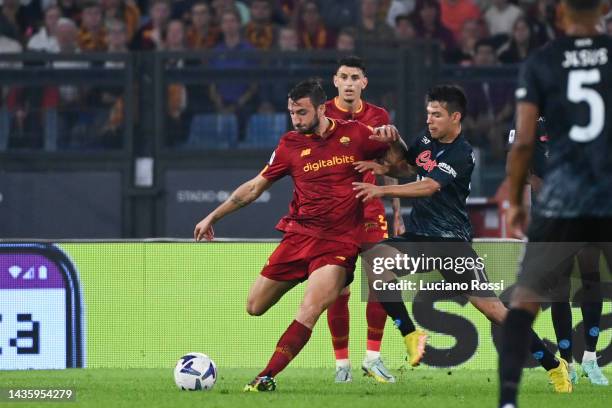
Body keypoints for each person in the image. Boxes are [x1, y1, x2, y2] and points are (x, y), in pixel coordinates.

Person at [351, 84, 571, 392]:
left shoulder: (462, 153)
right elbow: (406, 167)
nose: (430, 120)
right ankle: (411, 334)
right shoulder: (427, 140)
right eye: (428, 113)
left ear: (456, 117)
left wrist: (382, 189)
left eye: (437, 115)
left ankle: (553, 365)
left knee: (496, 312)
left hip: (451, 243)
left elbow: (428, 185)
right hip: (420, 237)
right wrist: (393, 143)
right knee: (375, 260)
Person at [193, 78, 407, 392]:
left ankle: (265, 377)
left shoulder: (356, 134)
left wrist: (396, 141)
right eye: (292, 112)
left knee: (309, 309)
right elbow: (254, 187)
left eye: (302, 112)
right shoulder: (289, 145)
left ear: (322, 108)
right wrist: (214, 215)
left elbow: (402, 168)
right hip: (298, 238)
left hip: (338, 244)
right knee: (254, 306)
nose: (296, 119)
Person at [500, 0, 612, 405]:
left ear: (561, 13)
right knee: (571, 286)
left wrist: (514, 203)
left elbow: (522, 143)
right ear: (603, 9)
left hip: (562, 201)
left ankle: (509, 399)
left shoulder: (543, 62)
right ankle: (570, 358)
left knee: (525, 298)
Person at [507, 117, 608, 386]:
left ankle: (590, 357)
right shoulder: (530, 123)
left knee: (591, 279)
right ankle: (567, 362)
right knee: (559, 290)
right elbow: (516, 166)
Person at [323, 56, 404, 383]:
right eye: (344, 76)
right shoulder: (322, 114)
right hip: (332, 215)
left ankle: (373, 357)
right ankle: (342, 366)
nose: (349, 83)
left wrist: (397, 211)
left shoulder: (379, 117)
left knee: (382, 282)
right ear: (335, 81)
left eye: (355, 77)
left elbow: (392, 165)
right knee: (337, 289)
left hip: (370, 210)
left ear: (364, 83)